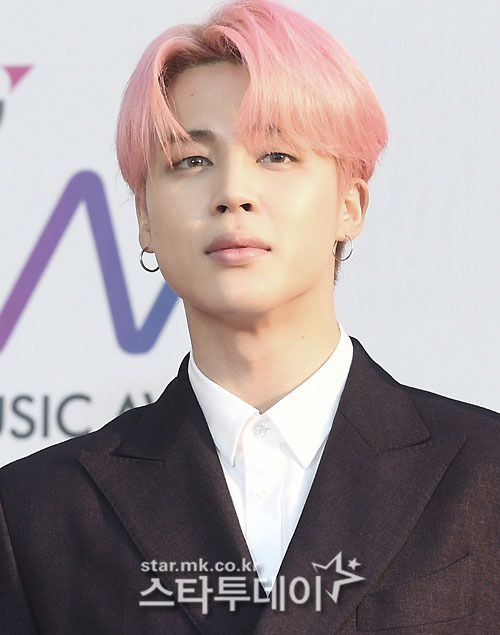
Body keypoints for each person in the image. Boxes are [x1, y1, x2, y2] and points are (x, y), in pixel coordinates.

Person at [1, 0, 499, 632]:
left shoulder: (484, 475)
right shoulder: (37, 512)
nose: (232, 192)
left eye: (277, 156)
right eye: (192, 161)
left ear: (349, 205)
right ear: (145, 218)